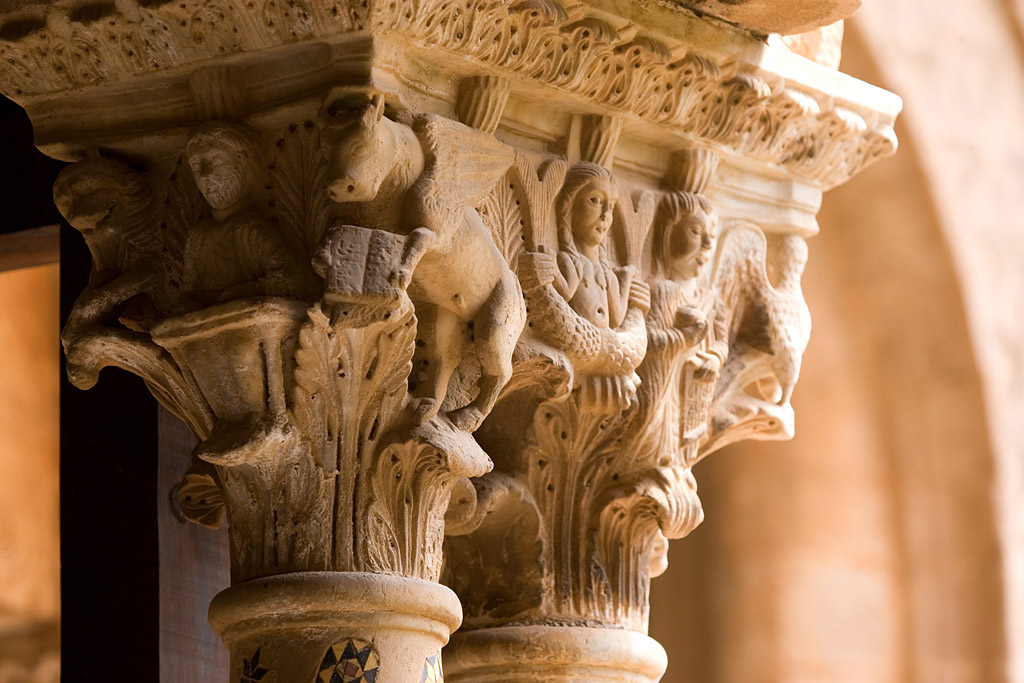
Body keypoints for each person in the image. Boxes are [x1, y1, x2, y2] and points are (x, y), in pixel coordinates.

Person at [182, 121, 315, 308]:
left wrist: (234, 294)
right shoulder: (197, 236)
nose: (205, 175)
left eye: (217, 160)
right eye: (196, 165)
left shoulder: (249, 228)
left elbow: (292, 280)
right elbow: (187, 295)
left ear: (242, 162)